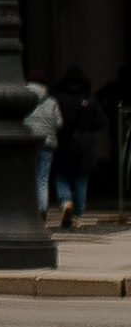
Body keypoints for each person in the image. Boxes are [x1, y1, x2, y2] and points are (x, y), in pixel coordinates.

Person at [55, 68, 108, 228]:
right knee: (81, 179)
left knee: (61, 175)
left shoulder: (59, 99)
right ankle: (78, 214)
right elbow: (101, 122)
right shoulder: (89, 99)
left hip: (64, 141)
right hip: (85, 144)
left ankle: (65, 201)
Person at [24, 74, 63, 219]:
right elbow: (59, 123)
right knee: (43, 178)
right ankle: (42, 208)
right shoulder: (52, 101)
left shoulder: (24, 101)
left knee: (29, 177)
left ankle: (30, 208)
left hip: (29, 144)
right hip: (48, 144)